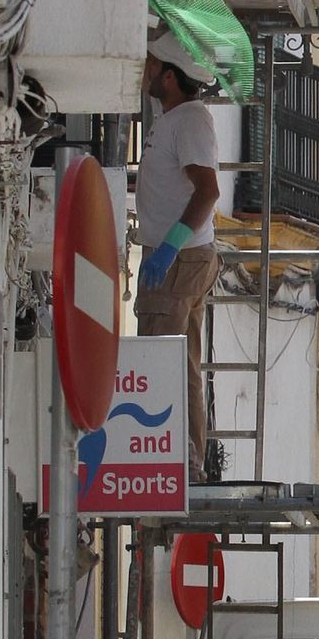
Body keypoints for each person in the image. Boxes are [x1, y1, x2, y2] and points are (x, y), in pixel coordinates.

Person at [135, 29, 221, 483]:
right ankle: (186, 458)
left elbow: (207, 191)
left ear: (168, 76)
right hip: (177, 255)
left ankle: (184, 461)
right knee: (178, 355)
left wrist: (168, 246)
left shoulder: (189, 120)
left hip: (179, 256)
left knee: (164, 357)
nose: (145, 69)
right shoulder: (166, 113)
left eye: (152, 64)